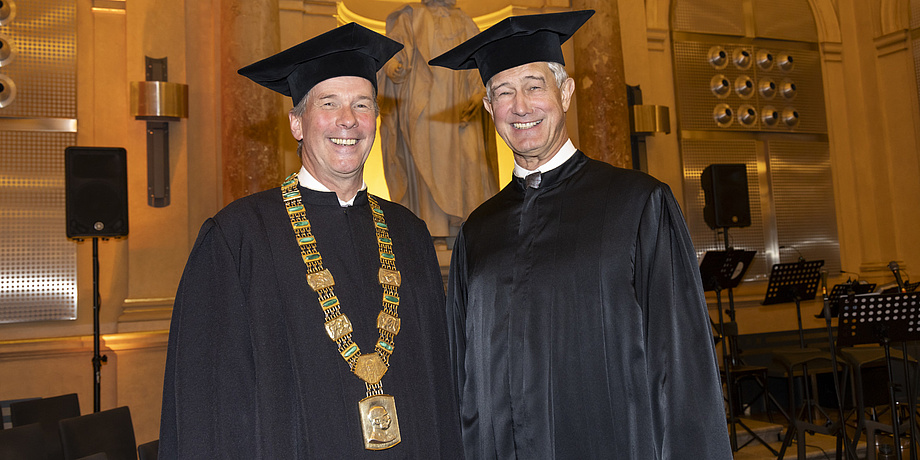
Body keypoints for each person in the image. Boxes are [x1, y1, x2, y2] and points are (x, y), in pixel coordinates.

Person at [429, 10, 733, 459]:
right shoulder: (478, 230)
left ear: (565, 93)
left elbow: (682, 367)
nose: (521, 107)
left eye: (535, 86)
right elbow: (460, 374)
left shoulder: (637, 205)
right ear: (490, 109)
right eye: (504, 93)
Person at [158, 23, 463, 458]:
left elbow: (439, 387)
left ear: (376, 120)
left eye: (362, 105)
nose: (348, 120)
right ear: (297, 123)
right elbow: (211, 406)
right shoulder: (238, 237)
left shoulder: (410, 235)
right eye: (329, 103)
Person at [380, 0, 499, 246]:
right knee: (426, 161)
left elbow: (482, 64)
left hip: (461, 111)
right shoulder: (410, 16)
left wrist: (479, 93)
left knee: (467, 164)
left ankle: (463, 229)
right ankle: (432, 229)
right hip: (424, 108)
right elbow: (391, 53)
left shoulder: (465, 20)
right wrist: (393, 67)